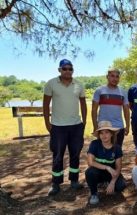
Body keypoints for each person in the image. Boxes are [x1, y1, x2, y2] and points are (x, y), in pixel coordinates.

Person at [43, 59, 87, 196]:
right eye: (65, 68)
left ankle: (74, 181)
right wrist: (47, 122)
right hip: (58, 127)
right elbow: (45, 105)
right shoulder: (51, 84)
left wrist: (84, 122)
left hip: (76, 126)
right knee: (57, 156)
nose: (68, 71)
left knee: (75, 154)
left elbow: (83, 104)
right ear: (59, 70)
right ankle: (56, 184)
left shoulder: (79, 85)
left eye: (70, 68)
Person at [85, 121, 126, 205]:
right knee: (90, 172)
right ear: (99, 135)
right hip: (98, 172)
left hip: (112, 174)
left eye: (107, 132)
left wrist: (112, 182)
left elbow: (118, 167)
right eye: (101, 133)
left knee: (121, 186)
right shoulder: (94, 144)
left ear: (111, 134)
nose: (104, 135)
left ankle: (107, 182)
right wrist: (107, 167)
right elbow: (90, 162)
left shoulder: (117, 148)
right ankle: (94, 194)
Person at [92, 68, 130, 148]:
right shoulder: (99, 90)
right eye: (112, 76)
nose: (115, 79)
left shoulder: (123, 92)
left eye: (117, 77)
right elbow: (94, 110)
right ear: (107, 77)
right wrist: (95, 126)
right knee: (103, 153)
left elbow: (126, 110)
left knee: (117, 152)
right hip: (103, 127)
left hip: (118, 127)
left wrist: (127, 125)